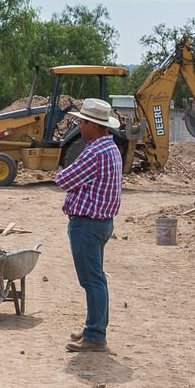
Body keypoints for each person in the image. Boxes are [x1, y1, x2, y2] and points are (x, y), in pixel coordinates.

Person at [53, 98, 123, 353]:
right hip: (102, 223)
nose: (80, 126)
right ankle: (95, 327)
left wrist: (60, 174)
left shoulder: (94, 152)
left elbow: (65, 179)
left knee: (91, 280)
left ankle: (95, 335)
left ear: (94, 125)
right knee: (97, 279)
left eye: (82, 122)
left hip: (87, 224)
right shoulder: (111, 148)